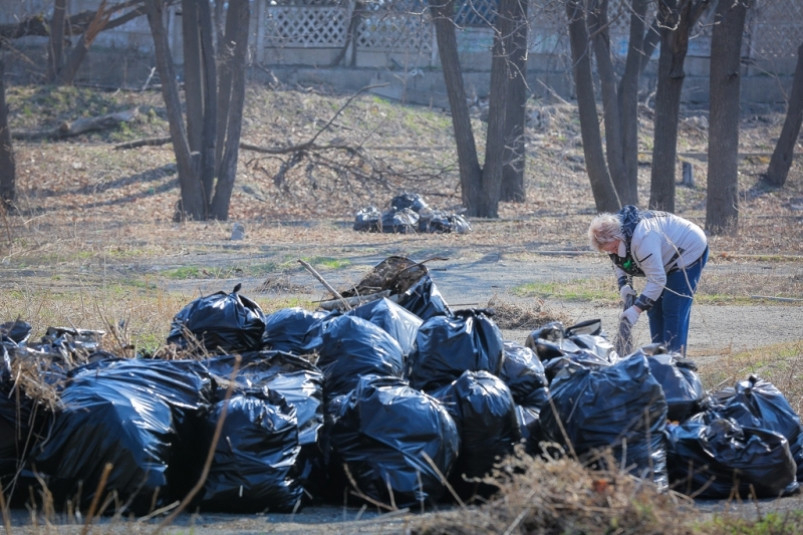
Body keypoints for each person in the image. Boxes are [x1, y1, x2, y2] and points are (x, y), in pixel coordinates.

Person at [588, 205, 709, 355]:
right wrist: (623, 285)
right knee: (654, 307)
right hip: (665, 256)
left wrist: (636, 310)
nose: (612, 252)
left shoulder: (642, 238)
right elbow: (619, 261)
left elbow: (657, 279)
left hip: (689, 249)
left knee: (673, 306)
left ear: (618, 237)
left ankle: (674, 362)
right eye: (608, 251)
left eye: (613, 248)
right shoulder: (617, 239)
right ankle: (658, 355)